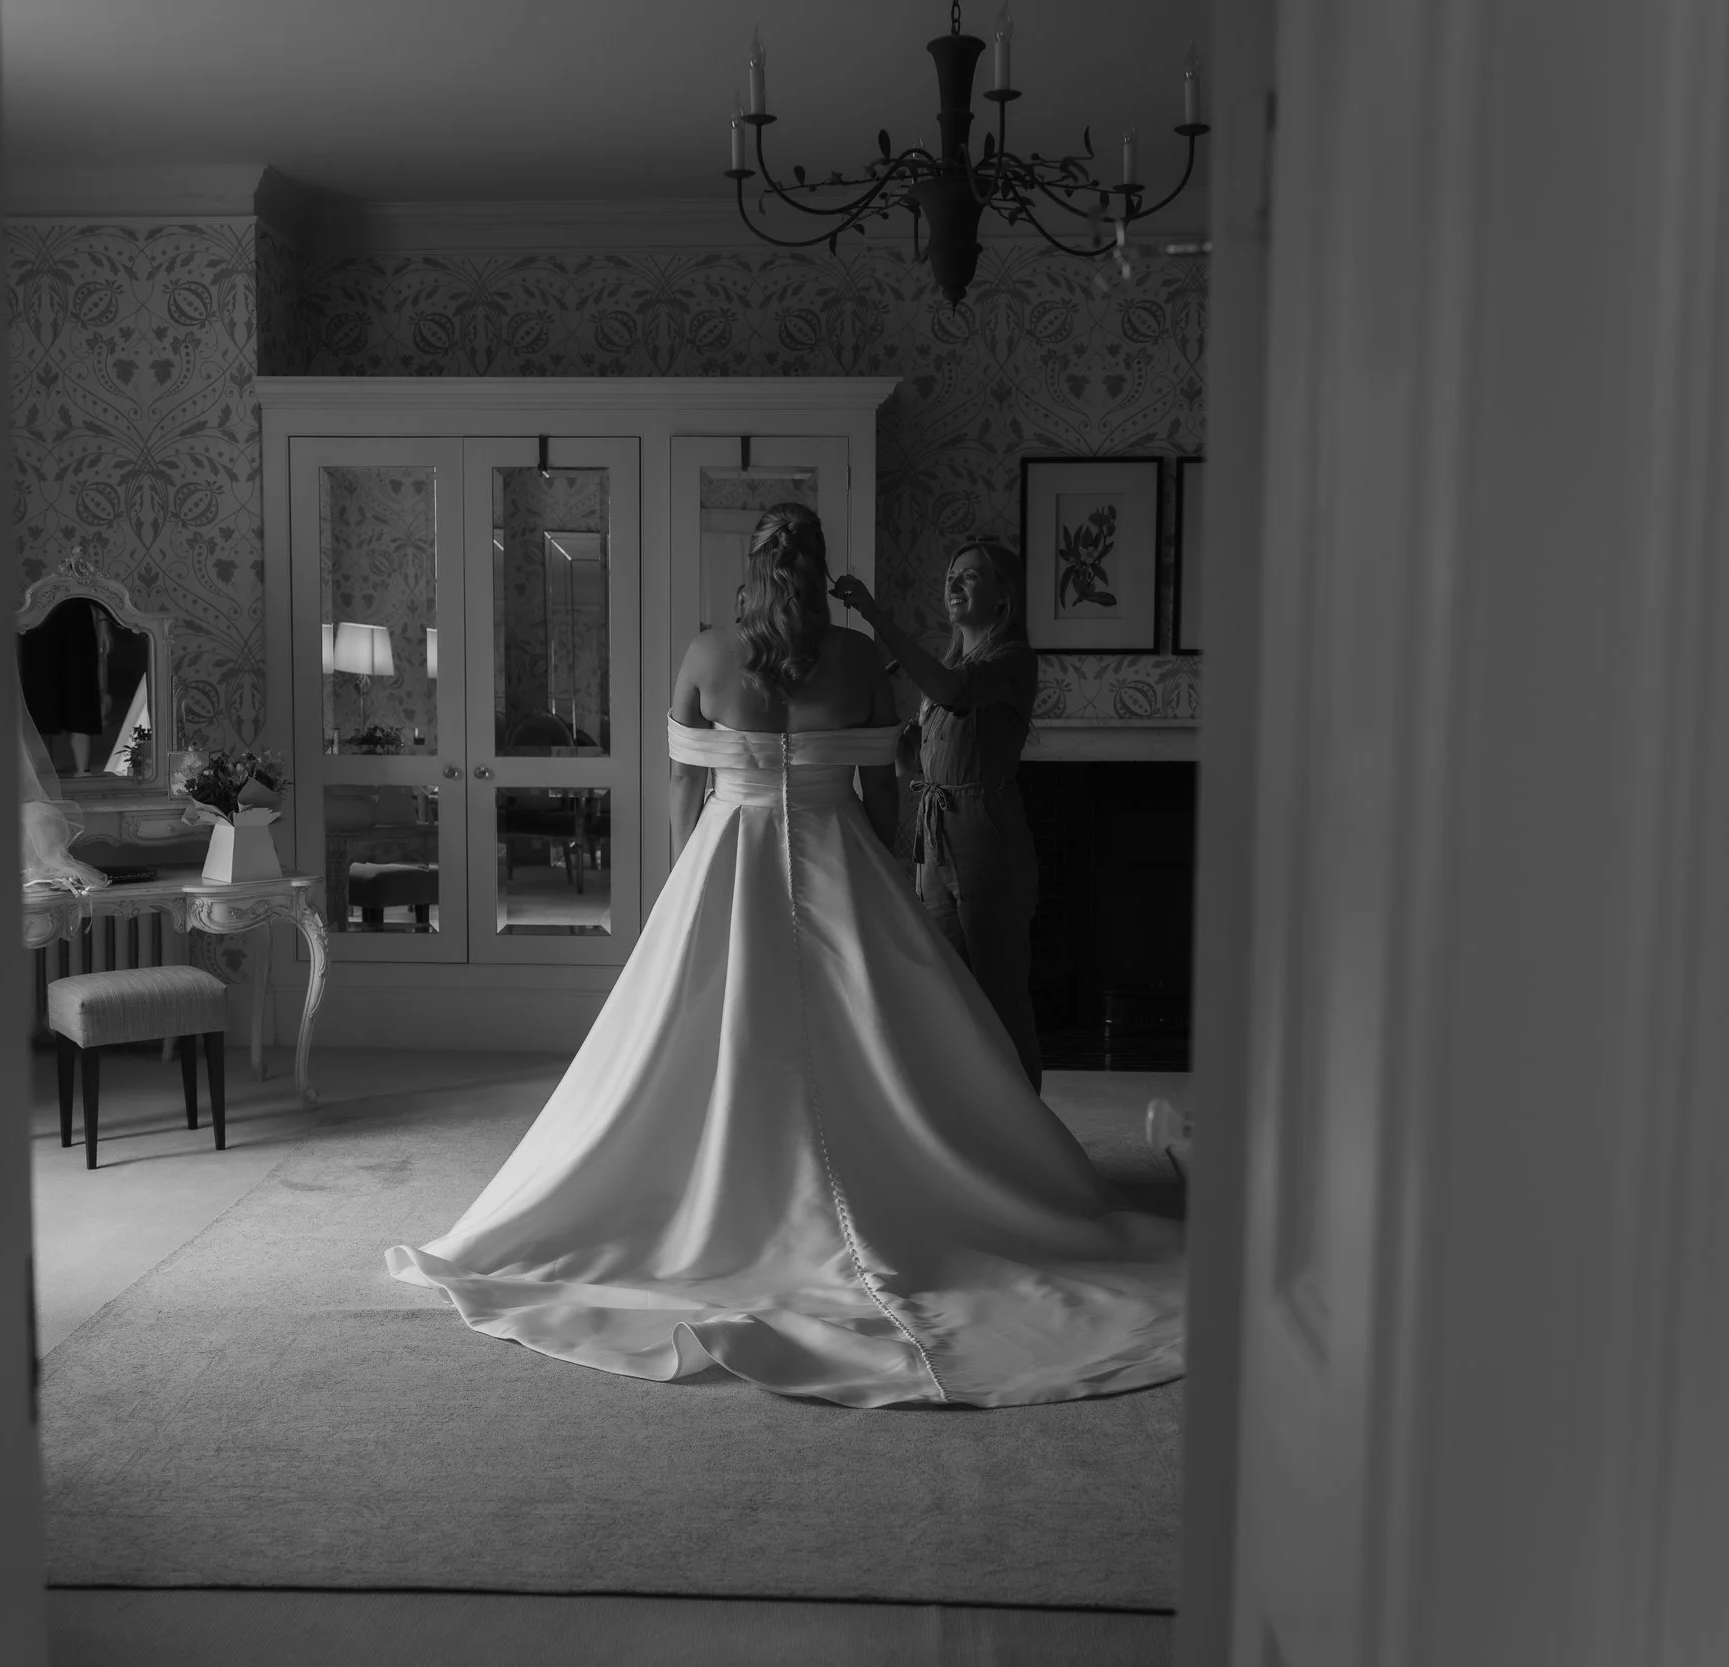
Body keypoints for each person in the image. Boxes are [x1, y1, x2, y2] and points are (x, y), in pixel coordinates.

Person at [386, 504, 1182, 1409]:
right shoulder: (856, 659)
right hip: (838, 846)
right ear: (817, 567)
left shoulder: (706, 653)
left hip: (731, 842)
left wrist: (688, 871)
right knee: (887, 1028)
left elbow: (683, 777)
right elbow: (881, 786)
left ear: (753, 567)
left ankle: (730, 1197)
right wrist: (882, 868)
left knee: (700, 1034)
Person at [831, 541, 1044, 1089]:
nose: (953, 583)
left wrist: (874, 615)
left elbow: (953, 693)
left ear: (1003, 598)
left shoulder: (1012, 660)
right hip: (936, 833)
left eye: (970, 576)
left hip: (985, 831)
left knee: (999, 993)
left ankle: (1027, 1127)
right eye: (951, 574)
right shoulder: (948, 667)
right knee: (946, 992)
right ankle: (968, 1119)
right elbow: (909, 764)